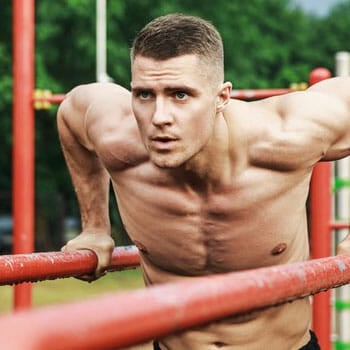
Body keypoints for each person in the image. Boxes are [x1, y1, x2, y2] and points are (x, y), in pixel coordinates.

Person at [57, 13, 350, 350]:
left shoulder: (285, 137)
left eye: (180, 95)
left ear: (221, 97)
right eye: (144, 95)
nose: (160, 118)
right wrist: (94, 227)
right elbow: (71, 112)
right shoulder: (118, 139)